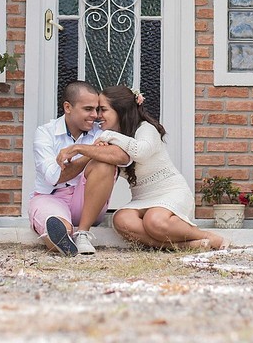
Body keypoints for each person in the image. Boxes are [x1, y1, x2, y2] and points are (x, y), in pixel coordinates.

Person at [58, 84, 226, 250]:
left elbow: (140, 151)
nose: (97, 115)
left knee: (154, 221)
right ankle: (186, 246)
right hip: (142, 199)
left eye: (103, 110)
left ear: (120, 110)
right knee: (121, 221)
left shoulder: (145, 129)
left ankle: (204, 235)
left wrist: (108, 136)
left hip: (170, 192)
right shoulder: (114, 138)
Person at [30, 80, 122, 256]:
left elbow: (123, 157)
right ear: (67, 107)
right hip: (51, 197)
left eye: (97, 109)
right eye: (88, 109)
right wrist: (92, 152)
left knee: (104, 163)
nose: (95, 115)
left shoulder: (100, 131)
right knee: (57, 225)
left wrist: (81, 150)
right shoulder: (45, 133)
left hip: (87, 202)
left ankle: (83, 233)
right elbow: (54, 177)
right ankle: (63, 240)